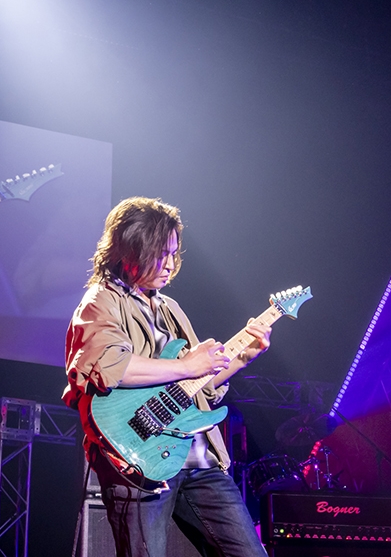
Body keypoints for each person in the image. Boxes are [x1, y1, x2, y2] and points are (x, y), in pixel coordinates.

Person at [63, 197, 271, 557]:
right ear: (130, 250)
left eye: (174, 253)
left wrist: (242, 357)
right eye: (161, 254)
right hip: (140, 461)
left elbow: (196, 385)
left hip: (198, 459)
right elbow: (109, 366)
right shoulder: (101, 302)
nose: (171, 264)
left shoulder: (170, 308)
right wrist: (188, 366)